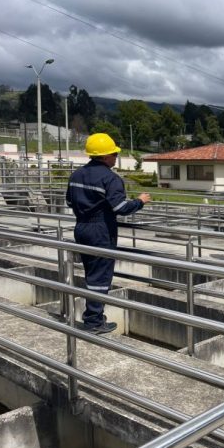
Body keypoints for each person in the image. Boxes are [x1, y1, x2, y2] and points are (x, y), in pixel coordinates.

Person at [66, 133, 151, 334]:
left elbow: (69, 201)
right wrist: (140, 201)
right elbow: (120, 207)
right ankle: (94, 322)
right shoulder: (110, 178)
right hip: (100, 231)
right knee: (100, 277)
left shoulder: (77, 174)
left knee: (91, 273)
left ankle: (94, 317)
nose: (115, 157)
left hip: (81, 227)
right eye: (114, 154)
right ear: (105, 157)